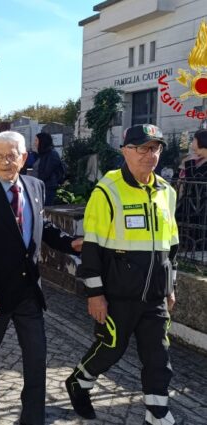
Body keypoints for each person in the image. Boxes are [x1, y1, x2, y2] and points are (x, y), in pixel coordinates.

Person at [0, 131, 82, 425]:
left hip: (29, 292)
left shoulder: (35, 186)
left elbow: (43, 224)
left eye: (11, 156)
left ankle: (32, 417)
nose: (4, 162)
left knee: (37, 359)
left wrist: (70, 242)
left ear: (24, 158)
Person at [65, 124, 179, 425]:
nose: (150, 155)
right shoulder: (108, 190)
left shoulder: (167, 192)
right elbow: (92, 248)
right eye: (142, 148)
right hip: (118, 295)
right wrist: (95, 294)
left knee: (158, 357)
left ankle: (157, 414)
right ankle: (79, 381)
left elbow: (173, 246)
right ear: (125, 151)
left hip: (154, 296)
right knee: (110, 349)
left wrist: (171, 287)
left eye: (155, 148)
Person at [176, 128, 207, 251]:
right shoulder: (197, 159)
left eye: (194, 139)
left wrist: (189, 163)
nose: (192, 143)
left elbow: (196, 181)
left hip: (200, 207)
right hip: (190, 205)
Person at [31, 132, 65, 206]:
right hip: (39, 187)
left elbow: (46, 173)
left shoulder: (52, 154)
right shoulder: (42, 154)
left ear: (42, 141)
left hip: (48, 188)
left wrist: (34, 183)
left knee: (45, 211)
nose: (34, 143)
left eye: (36, 140)